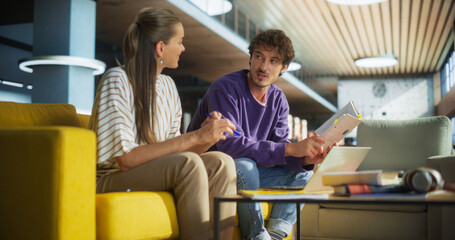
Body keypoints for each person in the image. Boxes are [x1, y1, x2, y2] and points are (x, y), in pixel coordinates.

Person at [89, 8, 238, 240]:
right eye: (179, 42)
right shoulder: (116, 80)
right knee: (187, 164)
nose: (183, 48)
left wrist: (205, 138)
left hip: (152, 170)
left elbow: (175, 151)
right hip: (111, 176)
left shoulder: (168, 86)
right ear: (160, 48)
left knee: (222, 163)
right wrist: (194, 137)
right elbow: (126, 159)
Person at [187, 29, 332, 240]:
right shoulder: (225, 88)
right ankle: (256, 236)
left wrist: (304, 158)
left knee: (305, 174)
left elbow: (278, 153)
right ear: (251, 57)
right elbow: (230, 146)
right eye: (259, 57)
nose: (263, 66)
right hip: (215, 167)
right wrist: (290, 148)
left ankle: (275, 235)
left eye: (273, 61)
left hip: (252, 171)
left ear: (283, 68)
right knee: (245, 165)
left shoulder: (279, 99)